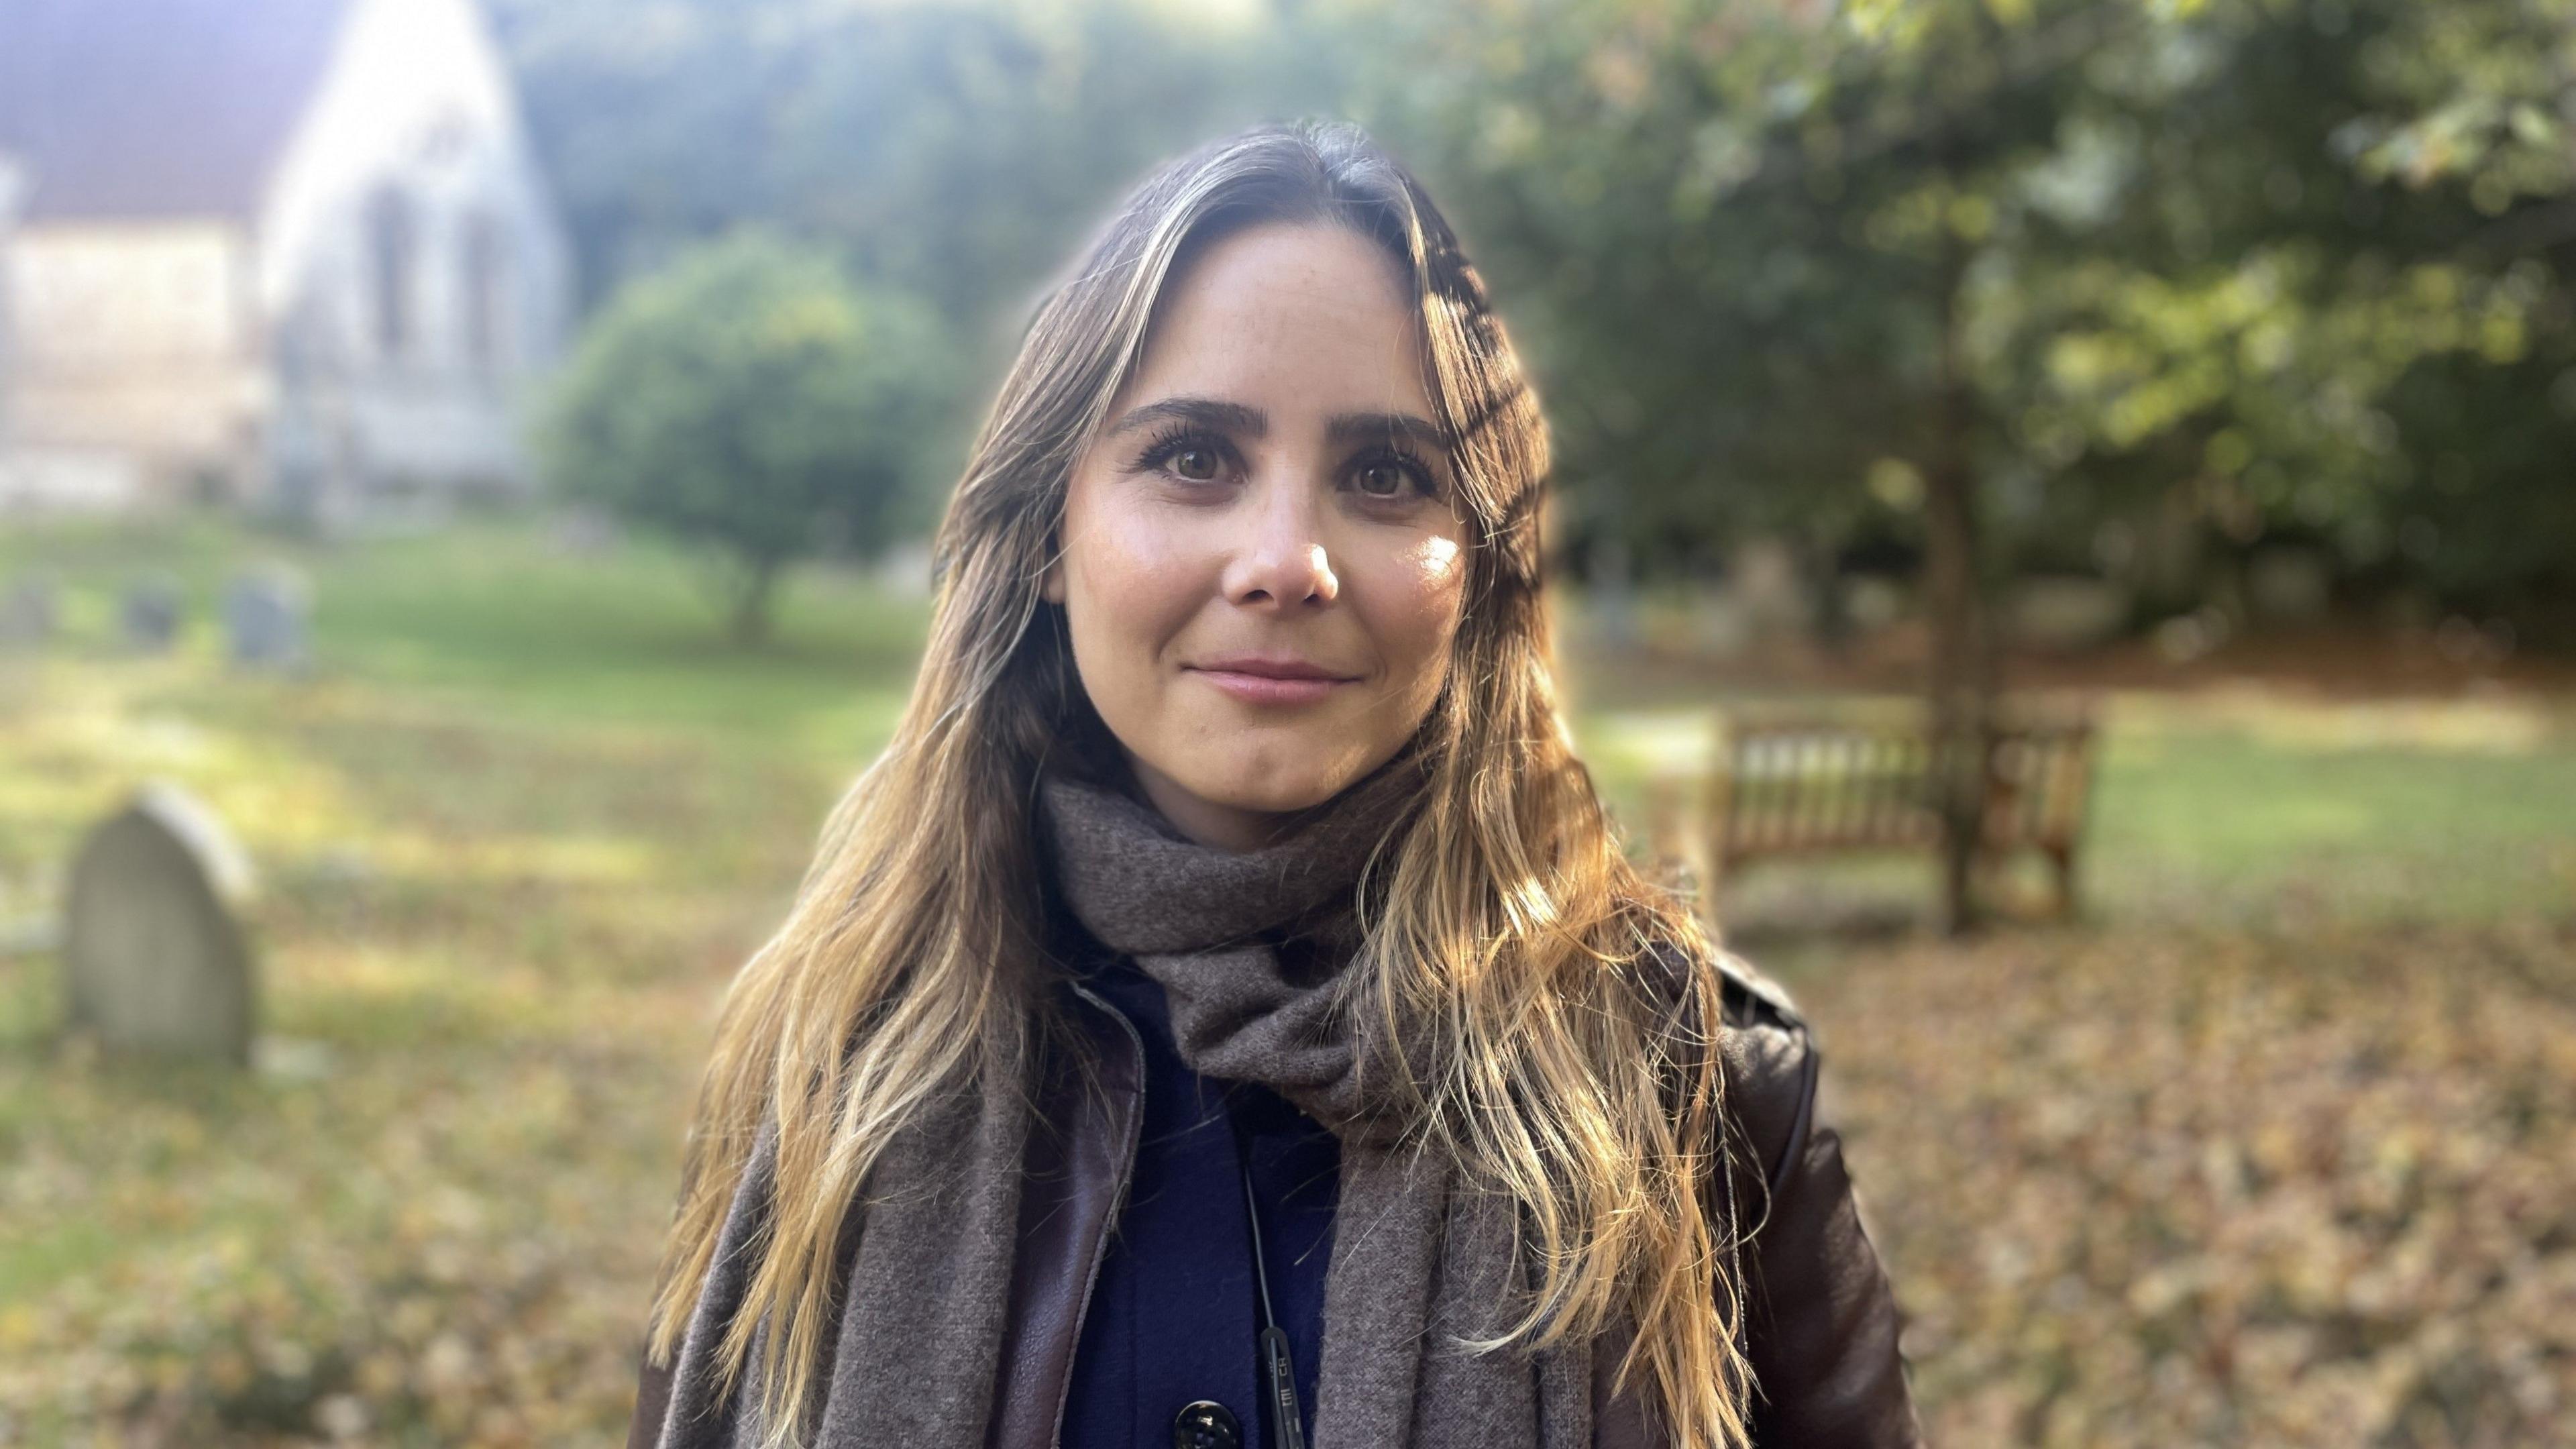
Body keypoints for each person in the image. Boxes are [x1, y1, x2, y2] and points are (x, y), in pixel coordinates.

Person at [623, 118, 1921, 1449]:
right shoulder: (838, 1065)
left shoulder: (1692, 1086)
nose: (1286, 560)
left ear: (1475, 568)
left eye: (1383, 475)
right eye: (1194, 457)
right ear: (1044, 537)